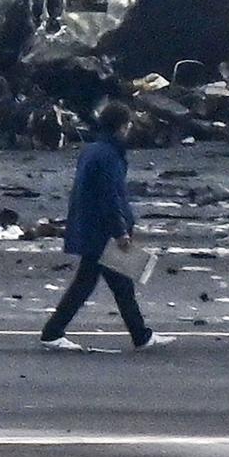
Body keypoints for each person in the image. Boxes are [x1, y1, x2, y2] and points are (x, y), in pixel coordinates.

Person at [40, 101, 175, 352]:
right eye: (128, 125)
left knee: (102, 284)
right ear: (121, 127)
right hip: (102, 231)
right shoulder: (110, 155)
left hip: (90, 226)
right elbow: (110, 196)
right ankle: (54, 332)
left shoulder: (92, 149)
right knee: (108, 285)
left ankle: (139, 335)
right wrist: (120, 231)